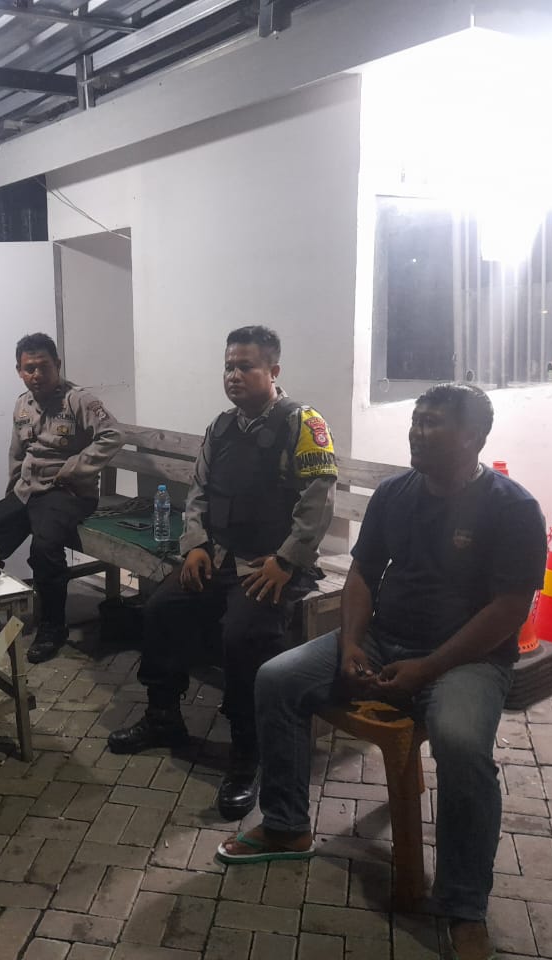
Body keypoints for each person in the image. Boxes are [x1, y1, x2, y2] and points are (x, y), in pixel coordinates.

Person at [215, 383, 546, 960]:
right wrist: (349, 643)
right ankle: (287, 825)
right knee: (277, 679)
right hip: (383, 639)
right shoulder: (396, 493)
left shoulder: (511, 508)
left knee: (461, 742)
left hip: (466, 659)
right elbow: (364, 574)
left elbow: (509, 609)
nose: (417, 431)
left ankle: (463, 903)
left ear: (472, 436)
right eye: (416, 419)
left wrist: (430, 667)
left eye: (433, 422)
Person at [108, 325, 339, 822]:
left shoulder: (302, 423)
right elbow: (198, 493)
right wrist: (195, 545)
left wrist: (286, 560)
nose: (234, 375)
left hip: (271, 566)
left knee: (243, 635)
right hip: (221, 557)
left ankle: (247, 752)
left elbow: (318, 502)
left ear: (273, 371)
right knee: (161, 608)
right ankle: (163, 715)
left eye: (245, 366)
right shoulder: (221, 427)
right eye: (229, 366)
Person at [0, 333, 124, 663]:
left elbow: (113, 435)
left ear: (58, 365)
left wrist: (75, 468)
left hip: (66, 492)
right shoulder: (22, 404)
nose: (37, 374)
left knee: (44, 549)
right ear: (19, 371)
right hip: (27, 491)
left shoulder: (78, 400)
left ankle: (53, 627)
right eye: (29, 368)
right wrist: (11, 498)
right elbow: (16, 453)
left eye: (44, 366)